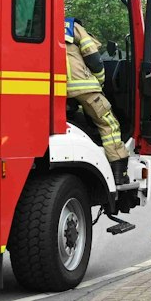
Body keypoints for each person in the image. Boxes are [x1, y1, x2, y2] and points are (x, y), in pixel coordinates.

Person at [65, 17, 130, 180]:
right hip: (82, 86)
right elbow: (93, 56)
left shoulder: (41, 24)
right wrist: (100, 81)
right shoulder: (72, 26)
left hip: (52, 88)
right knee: (108, 123)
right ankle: (118, 171)